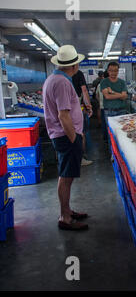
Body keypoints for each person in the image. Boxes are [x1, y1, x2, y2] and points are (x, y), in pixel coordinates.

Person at [42, 44, 88, 231]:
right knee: (66, 176)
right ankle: (65, 217)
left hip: (62, 136)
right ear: (74, 66)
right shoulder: (62, 83)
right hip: (65, 137)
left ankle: (67, 210)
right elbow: (63, 115)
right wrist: (74, 138)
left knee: (66, 175)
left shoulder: (53, 79)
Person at [72, 69, 93, 166]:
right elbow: (84, 90)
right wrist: (88, 106)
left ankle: (72, 158)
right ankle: (80, 158)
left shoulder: (57, 75)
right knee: (81, 132)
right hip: (76, 107)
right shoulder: (78, 73)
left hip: (63, 109)